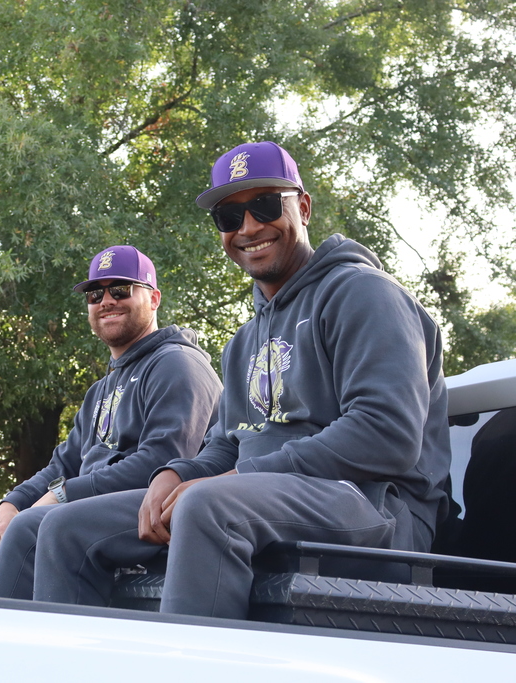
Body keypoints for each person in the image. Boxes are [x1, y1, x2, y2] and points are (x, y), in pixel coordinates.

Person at [32, 141, 452, 619]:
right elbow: (225, 444)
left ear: (304, 207)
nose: (248, 227)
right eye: (229, 217)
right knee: (63, 526)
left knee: (208, 505)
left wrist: (232, 480)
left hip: (375, 504)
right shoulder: (244, 340)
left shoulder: (362, 293)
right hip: (259, 497)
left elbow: (385, 434)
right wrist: (172, 475)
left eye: (265, 205)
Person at [0, 245, 223, 599]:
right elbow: (62, 464)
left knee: (31, 527)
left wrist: (63, 495)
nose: (106, 301)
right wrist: (13, 502)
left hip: (150, 511)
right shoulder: (101, 389)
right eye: (95, 294)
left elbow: (162, 462)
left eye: (121, 290)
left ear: (154, 298)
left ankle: (0, 647)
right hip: (84, 507)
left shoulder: (177, 364)